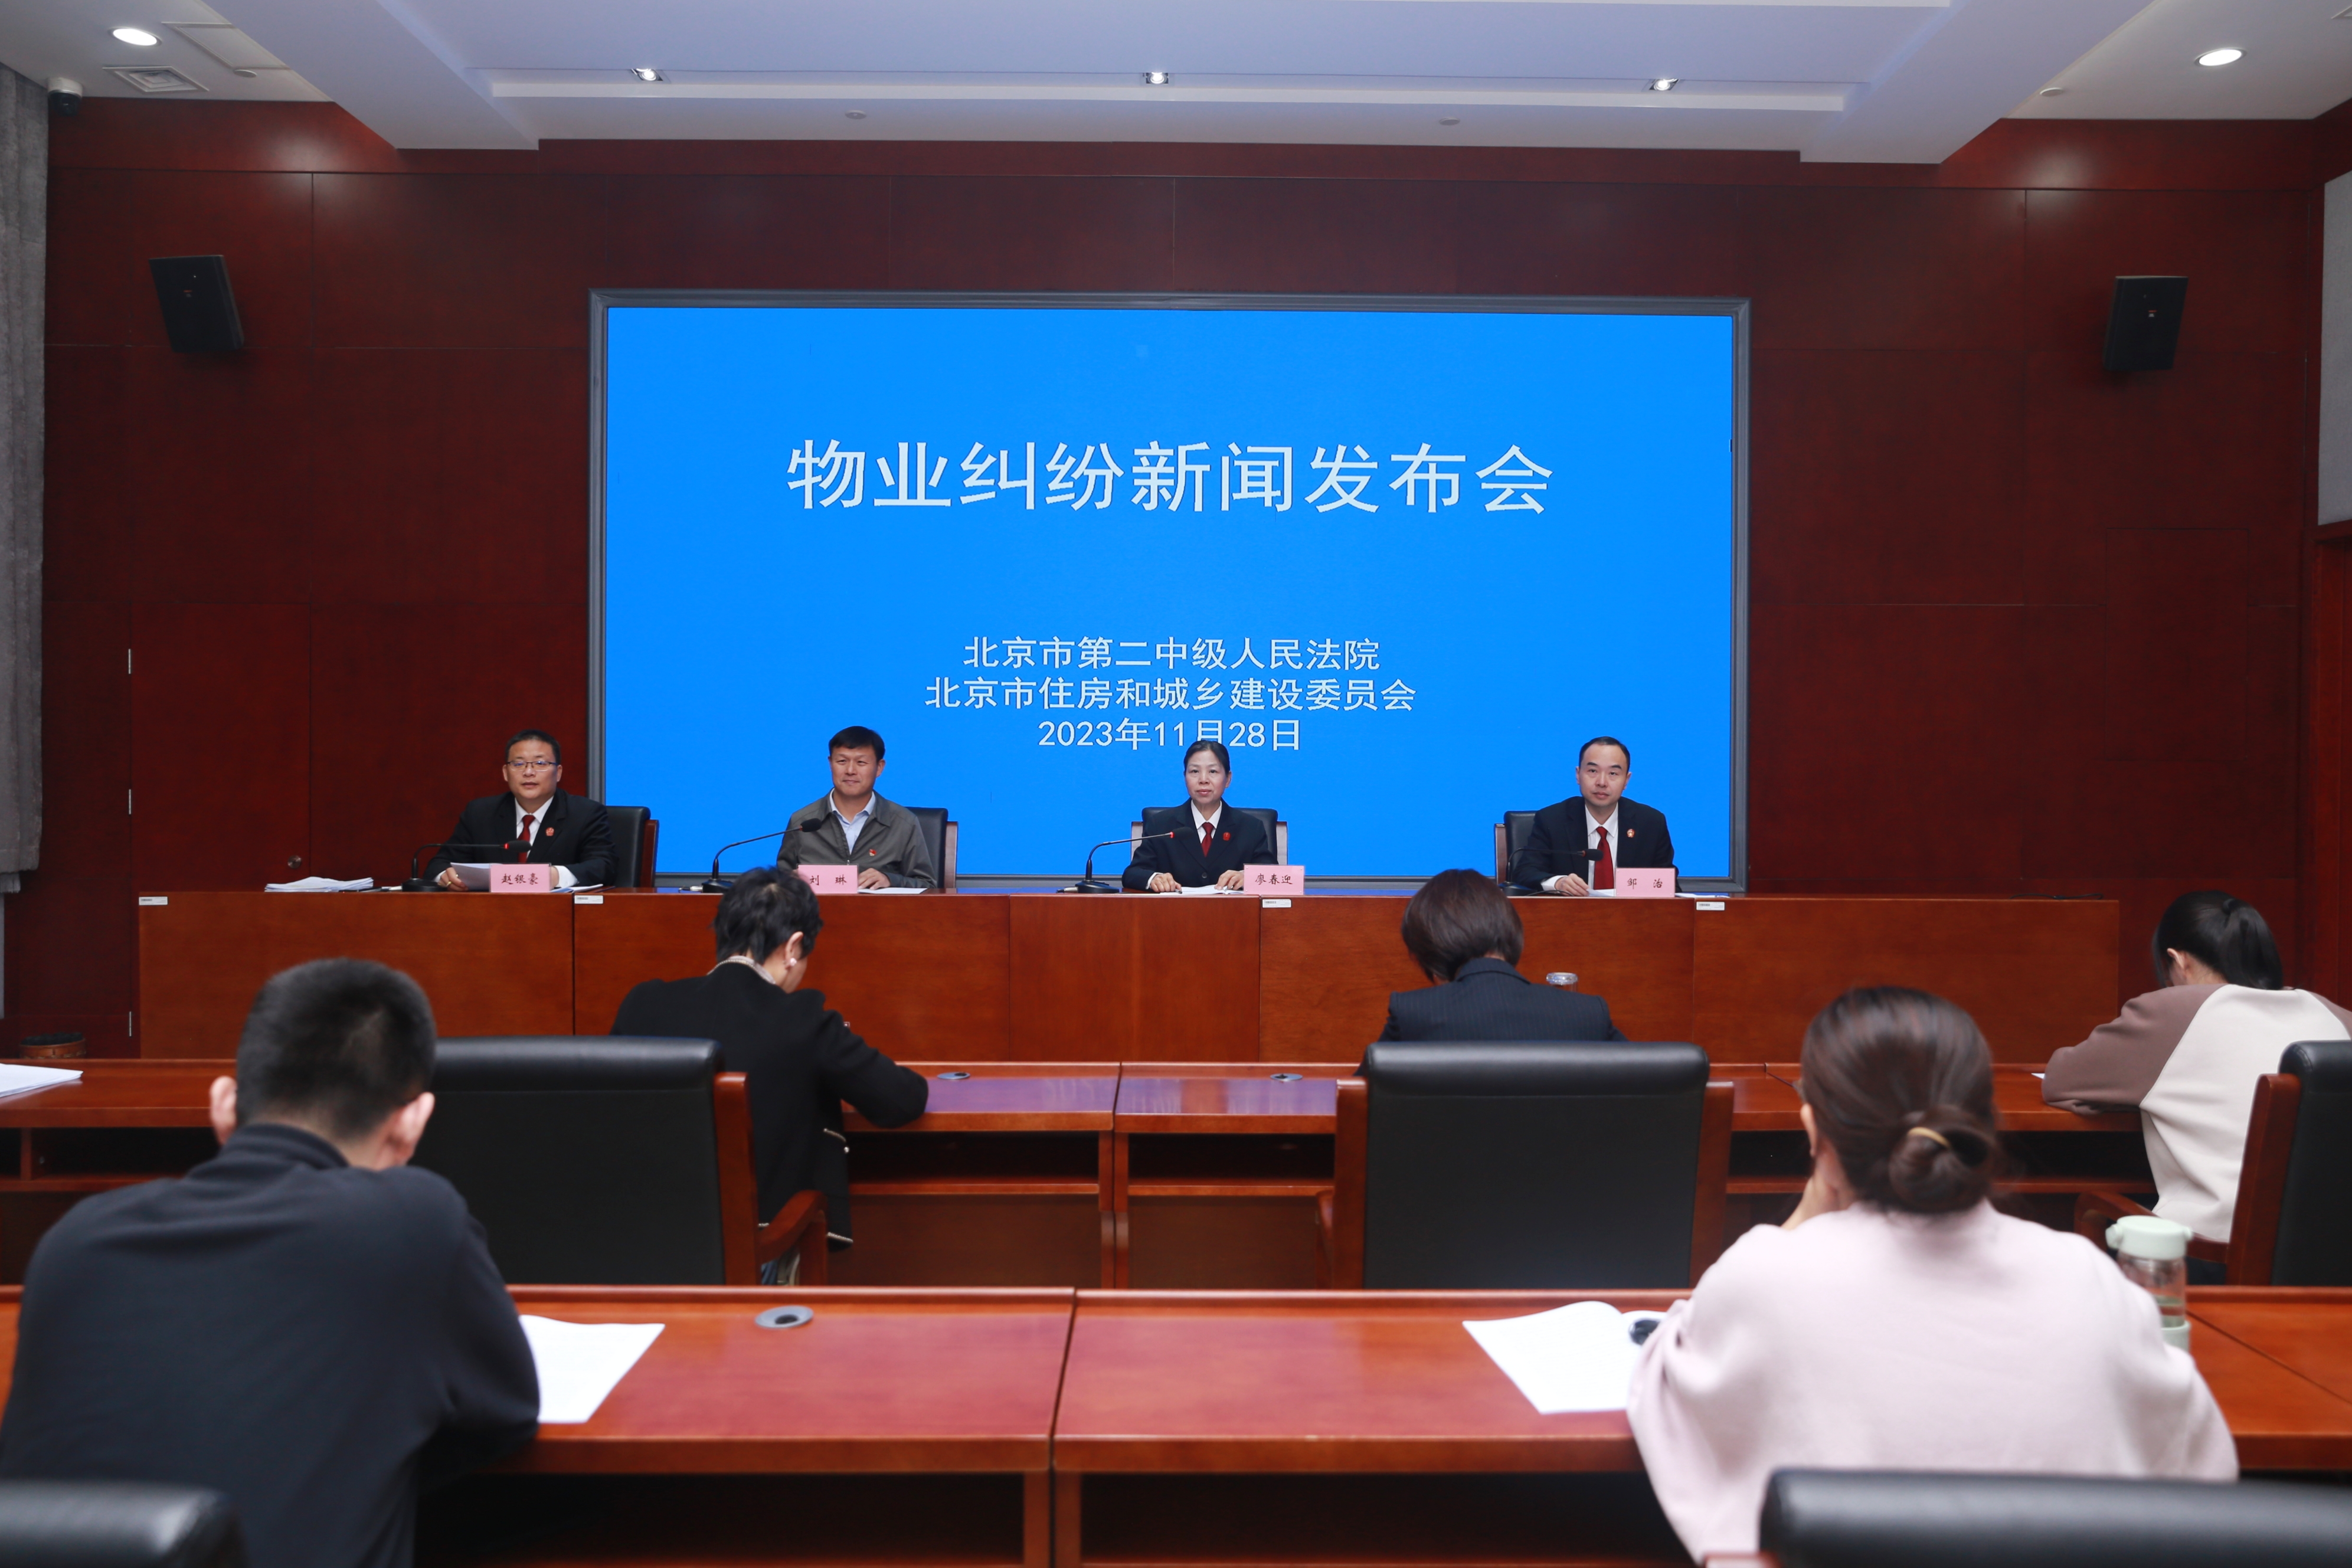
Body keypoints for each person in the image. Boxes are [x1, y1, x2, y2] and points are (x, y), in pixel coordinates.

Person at [1627, 987, 2235, 1560]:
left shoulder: (1765, 1275)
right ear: (1982, 1125)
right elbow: (2198, 1466)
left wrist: (1809, 1208)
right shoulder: (2088, 1278)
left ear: (1817, 1136)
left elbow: (1665, 1378)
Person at [0, 959, 539, 1568]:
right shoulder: (417, 1222)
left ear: (224, 1105)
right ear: (411, 1124)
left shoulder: (74, 1242)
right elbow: (507, 1414)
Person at [609, 867, 927, 1279]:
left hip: (632, 1249)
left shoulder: (643, 1003)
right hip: (752, 1257)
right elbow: (901, 1100)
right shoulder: (802, 1019)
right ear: (794, 946)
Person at [2044, 891, 2352, 1253]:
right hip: (2334, 1258)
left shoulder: (2170, 1012)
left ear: (2178, 961)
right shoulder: (2335, 1016)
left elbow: (2061, 1080)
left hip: (2214, 1254)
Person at [1373, 869, 1627, 1046]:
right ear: (1512, 931)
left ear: (1428, 950)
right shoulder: (1587, 1014)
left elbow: (1361, 1098)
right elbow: (1644, 1089)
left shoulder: (1412, 1015)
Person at [429, 728, 616, 889]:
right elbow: (438, 864)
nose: (528, 772)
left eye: (540, 764)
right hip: (489, 913)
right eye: (518, 764)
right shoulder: (480, 813)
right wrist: (446, 877)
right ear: (505, 773)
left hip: (556, 913)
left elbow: (604, 866)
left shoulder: (585, 813)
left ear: (558, 773)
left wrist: (555, 876)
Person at [1507, 735, 1673, 894]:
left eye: (1613, 773)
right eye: (1593, 771)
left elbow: (1668, 885)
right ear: (1578, 775)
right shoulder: (1552, 820)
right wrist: (1558, 883)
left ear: (1626, 780)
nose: (1602, 782)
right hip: (1571, 913)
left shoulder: (1651, 823)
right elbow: (1525, 872)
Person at [777, 725, 937, 890]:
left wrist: (891, 880)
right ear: (830, 763)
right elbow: (779, 888)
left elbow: (928, 886)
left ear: (879, 767)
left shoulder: (903, 823)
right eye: (842, 761)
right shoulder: (803, 822)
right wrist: (790, 882)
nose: (850, 771)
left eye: (861, 762)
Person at [1124, 739, 1275, 892]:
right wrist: (1154, 878)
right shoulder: (1161, 824)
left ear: (1228, 779)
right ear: (1185, 777)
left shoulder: (1251, 827)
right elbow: (1133, 873)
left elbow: (1273, 874)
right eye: (1195, 772)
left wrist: (1248, 876)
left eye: (1213, 772)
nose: (1203, 780)